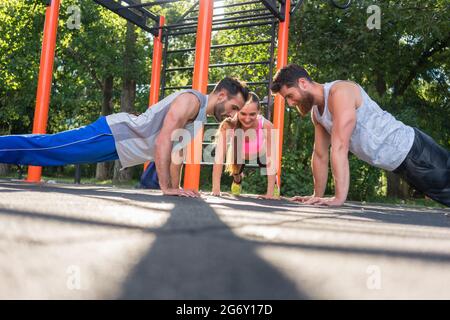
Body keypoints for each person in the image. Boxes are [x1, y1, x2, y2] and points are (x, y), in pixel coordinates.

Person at [0, 77, 250, 197]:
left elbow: (176, 154)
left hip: (121, 147)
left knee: (54, 154)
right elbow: (164, 140)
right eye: (234, 107)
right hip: (114, 134)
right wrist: (165, 188)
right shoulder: (191, 100)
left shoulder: (198, 118)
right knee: (51, 148)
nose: (234, 115)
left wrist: (177, 189)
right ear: (221, 96)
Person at [270, 64, 450, 207]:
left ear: (303, 83)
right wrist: (316, 196)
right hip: (399, 165)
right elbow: (320, 155)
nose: (291, 103)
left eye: (290, 96)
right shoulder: (317, 113)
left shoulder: (340, 92)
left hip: (413, 150)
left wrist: (338, 199)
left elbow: (340, 146)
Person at [212, 93, 279, 199]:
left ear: (258, 112)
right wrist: (216, 189)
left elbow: (272, 160)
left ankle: (274, 186)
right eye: (243, 114)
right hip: (240, 152)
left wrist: (269, 194)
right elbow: (219, 157)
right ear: (236, 111)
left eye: (252, 114)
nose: (247, 119)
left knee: (268, 168)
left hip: (261, 152)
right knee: (236, 173)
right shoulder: (228, 125)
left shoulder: (266, 126)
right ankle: (237, 181)